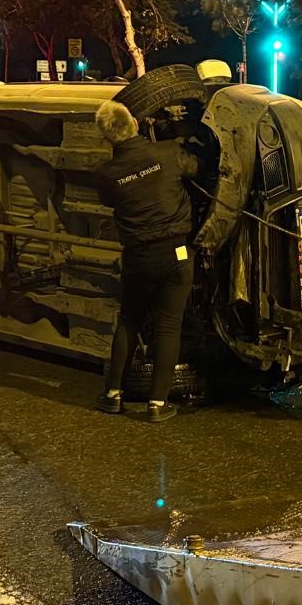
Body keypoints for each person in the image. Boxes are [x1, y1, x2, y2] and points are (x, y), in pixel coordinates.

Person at [92, 99, 199, 422]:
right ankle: (157, 403)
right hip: (176, 253)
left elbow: (110, 200)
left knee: (129, 320)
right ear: (136, 125)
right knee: (168, 325)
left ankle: (113, 395)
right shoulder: (167, 152)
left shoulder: (106, 174)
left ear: (107, 138)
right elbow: (197, 168)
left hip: (138, 257)